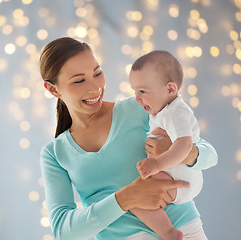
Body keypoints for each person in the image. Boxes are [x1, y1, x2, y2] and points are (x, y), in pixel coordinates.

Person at [39, 37, 218, 240]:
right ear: (53, 89)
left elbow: (210, 156)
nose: (95, 87)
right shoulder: (54, 153)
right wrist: (125, 198)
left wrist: (180, 152)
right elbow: (63, 232)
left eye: (97, 73)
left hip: (184, 231)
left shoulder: (138, 108)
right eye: (79, 80)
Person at [128, 50, 205, 240]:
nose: (137, 98)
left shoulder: (175, 113)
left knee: (135, 198)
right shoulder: (162, 111)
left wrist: (157, 164)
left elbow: (184, 146)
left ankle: (169, 233)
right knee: (135, 195)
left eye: (143, 91)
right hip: (177, 175)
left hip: (181, 178)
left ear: (170, 89)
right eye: (135, 92)